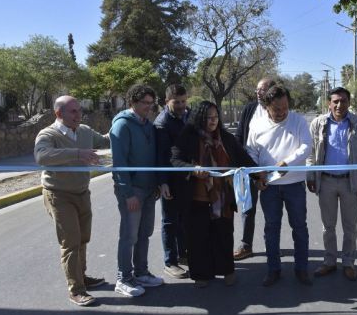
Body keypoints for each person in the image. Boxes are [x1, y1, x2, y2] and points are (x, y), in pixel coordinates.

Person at [170, 101, 259, 288]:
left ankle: (227, 270)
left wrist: (260, 174)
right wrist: (193, 169)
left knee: (224, 236)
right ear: (200, 118)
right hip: (196, 199)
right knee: (198, 238)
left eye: (216, 117)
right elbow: (175, 160)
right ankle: (201, 275)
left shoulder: (226, 137)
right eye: (209, 117)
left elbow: (244, 159)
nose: (213, 121)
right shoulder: (187, 137)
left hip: (223, 200)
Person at [34, 95, 109, 306]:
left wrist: (124, 120)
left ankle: (82, 277)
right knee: (71, 241)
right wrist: (77, 154)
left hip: (82, 192)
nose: (79, 115)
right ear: (59, 113)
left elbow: (105, 140)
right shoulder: (48, 134)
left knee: (83, 237)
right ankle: (75, 289)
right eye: (73, 111)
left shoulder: (84, 131)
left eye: (79, 110)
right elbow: (42, 156)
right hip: (58, 194)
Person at [246, 85, 313, 286]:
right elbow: (251, 152)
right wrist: (258, 176)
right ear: (267, 106)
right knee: (271, 228)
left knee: (299, 227)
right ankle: (273, 269)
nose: (282, 112)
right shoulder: (256, 124)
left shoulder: (298, 121)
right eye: (277, 109)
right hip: (269, 187)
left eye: (285, 107)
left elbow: (306, 147)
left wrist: (288, 163)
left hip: (294, 184)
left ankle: (302, 268)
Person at [306, 87, 357, 282]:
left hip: (350, 182)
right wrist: (311, 176)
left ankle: (349, 263)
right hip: (325, 181)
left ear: (349, 103)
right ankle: (329, 261)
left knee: (350, 226)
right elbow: (311, 153)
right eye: (335, 101)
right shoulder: (318, 123)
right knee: (329, 226)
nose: (339, 105)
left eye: (343, 101)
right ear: (329, 103)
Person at [110, 84, 163, 297]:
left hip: (149, 189)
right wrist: (128, 193)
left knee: (145, 233)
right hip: (132, 191)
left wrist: (156, 183)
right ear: (133, 102)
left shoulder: (148, 125)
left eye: (151, 103)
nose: (149, 107)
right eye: (144, 103)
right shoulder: (122, 125)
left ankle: (141, 273)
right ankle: (123, 278)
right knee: (129, 236)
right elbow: (119, 162)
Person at [233, 77, 276, 260]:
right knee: (247, 209)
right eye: (258, 89)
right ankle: (246, 245)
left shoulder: (278, 110)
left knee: (272, 211)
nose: (259, 92)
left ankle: (272, 246)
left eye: (263, 89)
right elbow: (239, 135)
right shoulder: (249, 109)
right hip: (248, 168)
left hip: (271, 171)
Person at [154, 84, 190, 279]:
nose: (182, 105)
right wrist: (163, 182)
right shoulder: (162, 123)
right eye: (177, 102)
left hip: (186, 177)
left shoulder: (187, 115)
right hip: (171, 179)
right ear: (167, 101)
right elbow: (161, 156)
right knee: (169, 221)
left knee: (184, 218)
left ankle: (183, 254)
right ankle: (170, 262)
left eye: (184, 101)